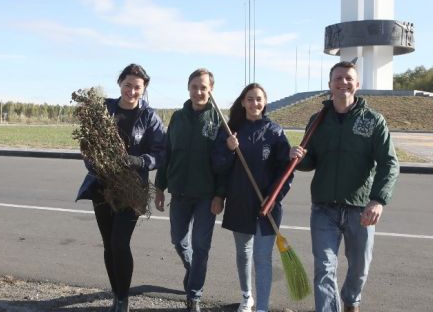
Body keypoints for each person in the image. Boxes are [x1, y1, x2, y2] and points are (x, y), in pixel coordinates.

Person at [290, 61, 399, 312]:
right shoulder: (317, 120)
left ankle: (351, 300)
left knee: (359, 267)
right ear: (330, 85)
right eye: (338, 79)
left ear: (357, 85)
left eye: (348, 78)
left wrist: (378, 200)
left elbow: (389, 163)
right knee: (324, 269)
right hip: (323, 208)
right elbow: (312, 161)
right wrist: (298, 158)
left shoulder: (373, 121)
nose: (343, 83)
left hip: (360, 209)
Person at [76, 63, 166, 312]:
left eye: (137, 87)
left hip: (132, 190)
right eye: (128, 85)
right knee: (108, 245)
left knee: (119, 243)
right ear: (120, 84)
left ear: (144, 89)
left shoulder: (149, 117)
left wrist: (139, 161)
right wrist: (96, 164)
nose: (132, 91)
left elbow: (161, 152)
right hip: (102, 187)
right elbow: (88, 144)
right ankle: (116, 294)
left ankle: (123, 300)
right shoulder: (104, 109)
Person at [211, 83, 293, 312]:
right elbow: (218, 167)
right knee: (243, 253)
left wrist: (275, 196)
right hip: (239, 202)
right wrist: (228, 148)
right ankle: (247, 296)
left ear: (265, 102)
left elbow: (286, 171)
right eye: (250, 99)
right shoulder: (230, 130)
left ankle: (262, 307)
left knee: (262, 258)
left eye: (259, 99)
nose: (254, 103)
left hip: (267, 205)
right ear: (242, 102)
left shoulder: (275, 131)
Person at [154, 68, 225, 312]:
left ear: (211, 90)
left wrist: (220, 194)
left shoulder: (219, 121)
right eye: (194, 86)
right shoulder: (177, 118)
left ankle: (194, 295)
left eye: (203, 87)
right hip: (180, 194)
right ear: (188, 88)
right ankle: (192, 269)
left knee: (201, 246)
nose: (198, 91)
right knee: (178, 240)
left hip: (206, 197)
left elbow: (225, 164)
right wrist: (160, 187)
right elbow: (167, 154)